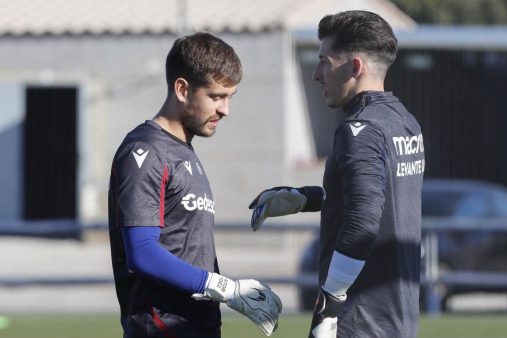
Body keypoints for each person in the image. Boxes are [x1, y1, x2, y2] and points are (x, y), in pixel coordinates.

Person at [249, 11, 424, 338]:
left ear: (355, 67)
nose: (317, 74)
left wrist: (329, 307)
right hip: (398, 319)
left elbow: (364, 219)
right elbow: (379, 197)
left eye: (324, 62)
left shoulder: (360, 129)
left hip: (359, 320)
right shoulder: (403, 121)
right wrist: (307, 198)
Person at [108, 32, 282, 338]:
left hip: (197, 327)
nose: (225, 109)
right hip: (161, 329)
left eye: (230, 97)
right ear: (182, 89)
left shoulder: (182, 150)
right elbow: (143, 252)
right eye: (216, 97)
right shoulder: (145, 152)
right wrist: (224, 288)